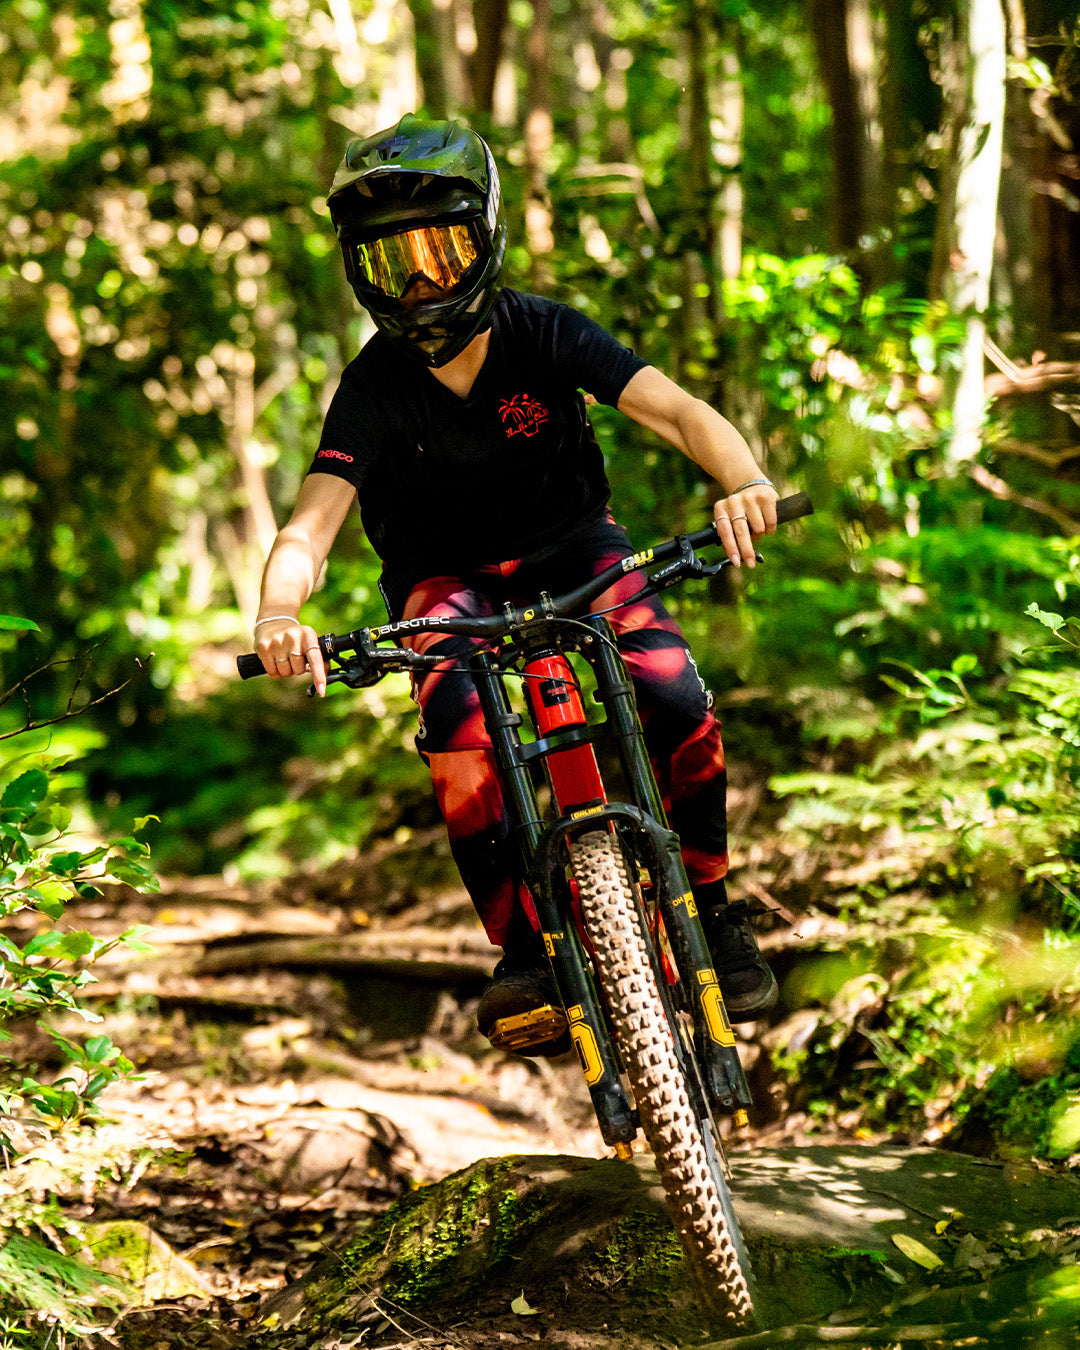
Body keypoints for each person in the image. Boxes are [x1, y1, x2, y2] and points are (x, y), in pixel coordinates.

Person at [254, 113, 780, 1055]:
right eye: (392, 263)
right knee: (457, 739)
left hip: (576, 551)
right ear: (360, 274)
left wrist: (742, 479)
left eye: (441, 252)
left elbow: (676, 411)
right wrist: (277, 613)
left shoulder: (545, 332)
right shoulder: (372, 389)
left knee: (674, 697)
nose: (420, 284)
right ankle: (524, 952)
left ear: (486, 238)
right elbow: (312, 523)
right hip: (444, 584)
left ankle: (713, 905)